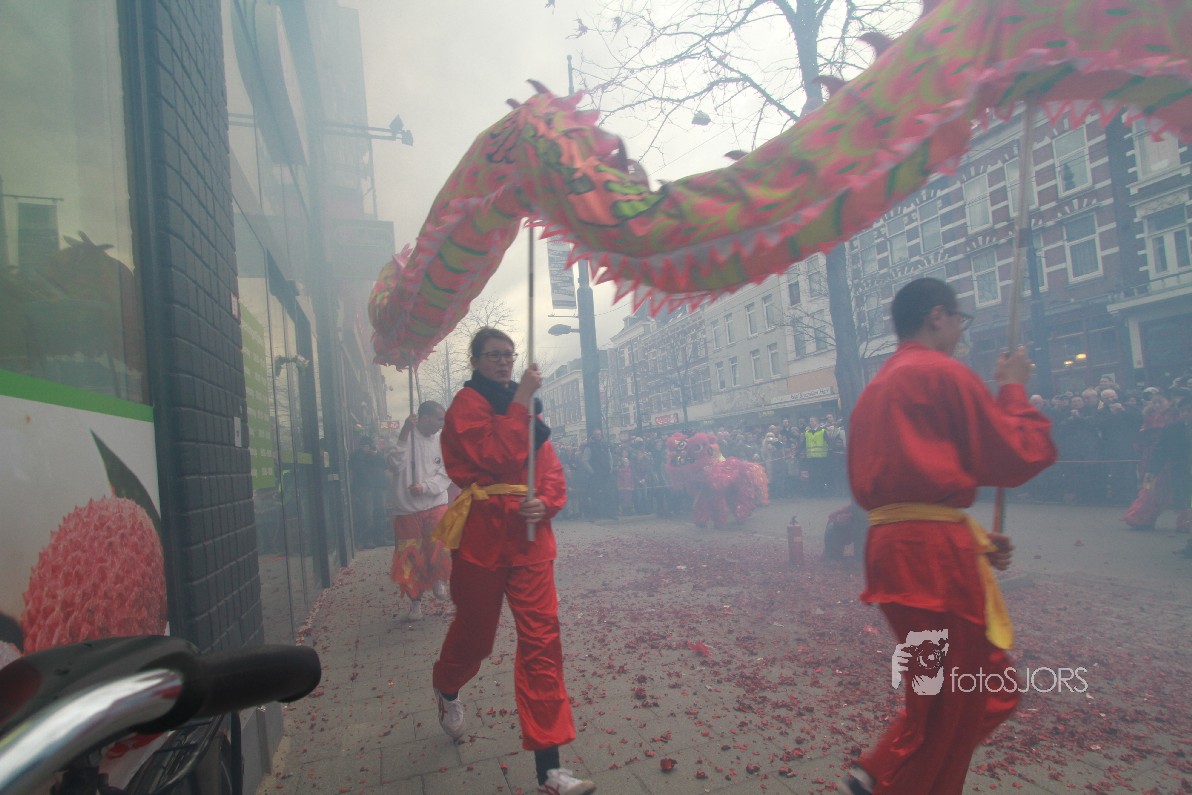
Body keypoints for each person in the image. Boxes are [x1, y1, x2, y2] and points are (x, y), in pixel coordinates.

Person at [842, 278, 1056, 795]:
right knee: (955, 699)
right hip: (932, 557)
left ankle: (878, 770)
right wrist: (1013, 388)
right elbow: (1016, 454)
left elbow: (909, 489)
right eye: (960, 319)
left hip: (896, 550)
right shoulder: (940, 372)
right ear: (938, 315)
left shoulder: (876, 387)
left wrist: (972, 539)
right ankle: (893, 781)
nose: (961, 331)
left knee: (958, 686)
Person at [429, 328, 595, 795]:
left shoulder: (529, 411)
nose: (503, 361)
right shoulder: (465, 406)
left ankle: (550, 771)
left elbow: (550, 469)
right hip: (482, 541)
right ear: (475, 360)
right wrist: (522, 398)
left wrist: (547, 502)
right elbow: (496, 455)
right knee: (476, 635)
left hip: (530, 542)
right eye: (493, 355)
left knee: (542, 642)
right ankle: (447, 686)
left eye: (509, 354)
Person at [387, 401, 452, 621]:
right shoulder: (404, 436)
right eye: (439, 419)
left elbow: (447, 471)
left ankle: (439, 579)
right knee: (410, 556)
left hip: (435, 503)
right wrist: (405, 433)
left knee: (439, 545)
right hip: (407, 508)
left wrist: (425, 487)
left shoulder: (442, 441)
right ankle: (415, 603)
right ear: (424, 418)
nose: (442, 424)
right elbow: (394, 464)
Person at [349, 435, 390, 548]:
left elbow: (384, 465)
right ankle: (366, 540)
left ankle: (381, 538)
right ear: (361, 446)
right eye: (366, 446)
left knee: (380, 513)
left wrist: (375, 454)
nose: (369, 448)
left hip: (379, 487)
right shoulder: (356, 455)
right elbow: (355, 467)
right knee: (367, 515)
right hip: (365, 488)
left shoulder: (377, 454)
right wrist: (364, 454)